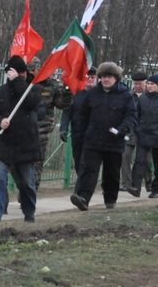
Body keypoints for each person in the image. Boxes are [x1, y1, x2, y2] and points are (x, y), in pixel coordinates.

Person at [70, 62, 136, 211]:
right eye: (103, 77)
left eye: (109, 77)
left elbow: (131, 116)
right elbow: (83, 116)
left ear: (116, 78)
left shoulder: (125, 95)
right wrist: (81, 134)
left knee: (111, 173)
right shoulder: (92, 94)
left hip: (114, 142)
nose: (106, 79)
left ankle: (110, 199)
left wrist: (121, 130)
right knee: (88, 170)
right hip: (93, 141)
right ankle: (83, 198)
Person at [0, 56, 42, 223]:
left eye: (23, 72)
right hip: (4, 145)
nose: (21, 75)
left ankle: (29, 211)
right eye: (17, 72)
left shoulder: (33, 90)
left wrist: (18, 82)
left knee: (27, 184)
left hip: (26, 145)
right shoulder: (0, 92)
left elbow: (32, 103)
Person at [28, 57, 71, 190]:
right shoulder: (22, 84)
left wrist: (67, 92)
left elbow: (62, 104)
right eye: (30, 69)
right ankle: (25, 188)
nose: (32, 72)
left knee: (37, 163)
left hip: (41, 130)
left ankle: (31, 192)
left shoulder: (51, 84)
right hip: (21, 130)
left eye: (35, 69)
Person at [59, 66, 97, 178]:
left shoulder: (100, 95)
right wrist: (63, 129)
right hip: (78, 133)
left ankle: (84, 185)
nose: (90, 79)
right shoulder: (76, 93)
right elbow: (67, 112)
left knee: (89, 161)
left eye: (92, 77)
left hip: (94, 135)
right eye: (87, 77)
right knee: (78, 160)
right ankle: (81, 181)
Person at [120, 72, 148, 191]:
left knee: (145, 159)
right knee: (125, 156)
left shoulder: (150, 96)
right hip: (130, 131)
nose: (137, 86)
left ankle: (148, 181)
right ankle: (126, 183)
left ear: (145, 83)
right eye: (135, 83)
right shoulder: (128, 96)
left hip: (146, 132)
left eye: (140, 83)